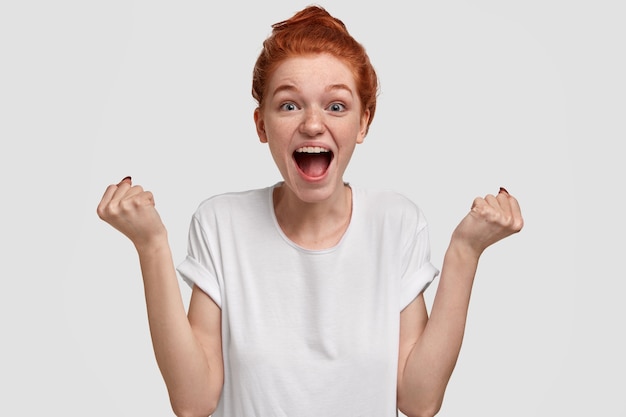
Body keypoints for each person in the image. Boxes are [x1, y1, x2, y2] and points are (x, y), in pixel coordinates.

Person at [97, 5, 523, 417]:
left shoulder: (396, 222)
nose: (313, 124)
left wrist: (465, 251)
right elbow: (193, 402)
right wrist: (150, 245)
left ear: (363, 123)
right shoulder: (220, 223)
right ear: (261, 125)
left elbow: (418, 400)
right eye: (289, 105)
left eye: (336, 106)